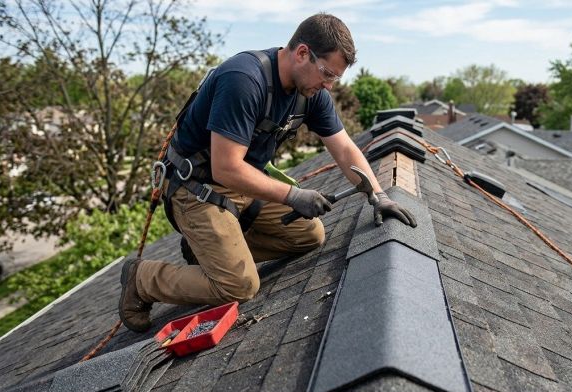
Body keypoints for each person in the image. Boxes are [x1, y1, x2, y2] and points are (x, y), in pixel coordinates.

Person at [119, 13, 417, 332]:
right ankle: (143, 278)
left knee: (311, 235)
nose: (329, 86)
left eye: (335, 79)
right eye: (327, 74)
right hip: (197, 189)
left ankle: (211, 251)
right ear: (302, 53)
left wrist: (378, 194)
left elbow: (345, 149)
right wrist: (293, 195)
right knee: (239, 286)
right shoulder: (244, 79)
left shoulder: (311, 95)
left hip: (243, 185)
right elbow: (226, 166)